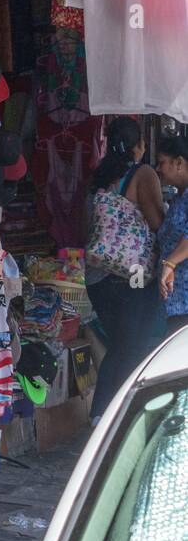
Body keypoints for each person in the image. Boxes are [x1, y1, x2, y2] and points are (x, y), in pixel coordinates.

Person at [86, 117, 166, 421]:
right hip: (129, 275)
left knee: (122, 344)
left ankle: (106, 415)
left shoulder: (100, 176)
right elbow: (157, 223)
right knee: (130, 346)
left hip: (97, 277)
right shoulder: (142, 173)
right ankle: (108, 417)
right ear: (140, 145)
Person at [155, 132, 188, 337]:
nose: (158, 169)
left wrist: (170, 263)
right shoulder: (179, 198)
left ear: (179, 163)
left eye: (162, 162)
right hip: (175, 303)